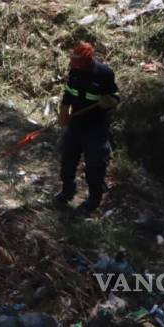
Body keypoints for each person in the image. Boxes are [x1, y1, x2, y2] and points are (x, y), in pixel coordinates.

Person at [54, 42, 120, 214]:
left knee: (94, 165)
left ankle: (93, 199)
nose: (74, 66)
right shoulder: (74, 71)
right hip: (76, 124)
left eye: (78, 63)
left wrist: (109, 102)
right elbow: (69, 93)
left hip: (95, 128)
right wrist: (63, 111)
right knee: (68, 160)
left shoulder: (104, 73)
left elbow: (115, 97)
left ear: (88, 60)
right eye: (73, 63)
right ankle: (68, 190)